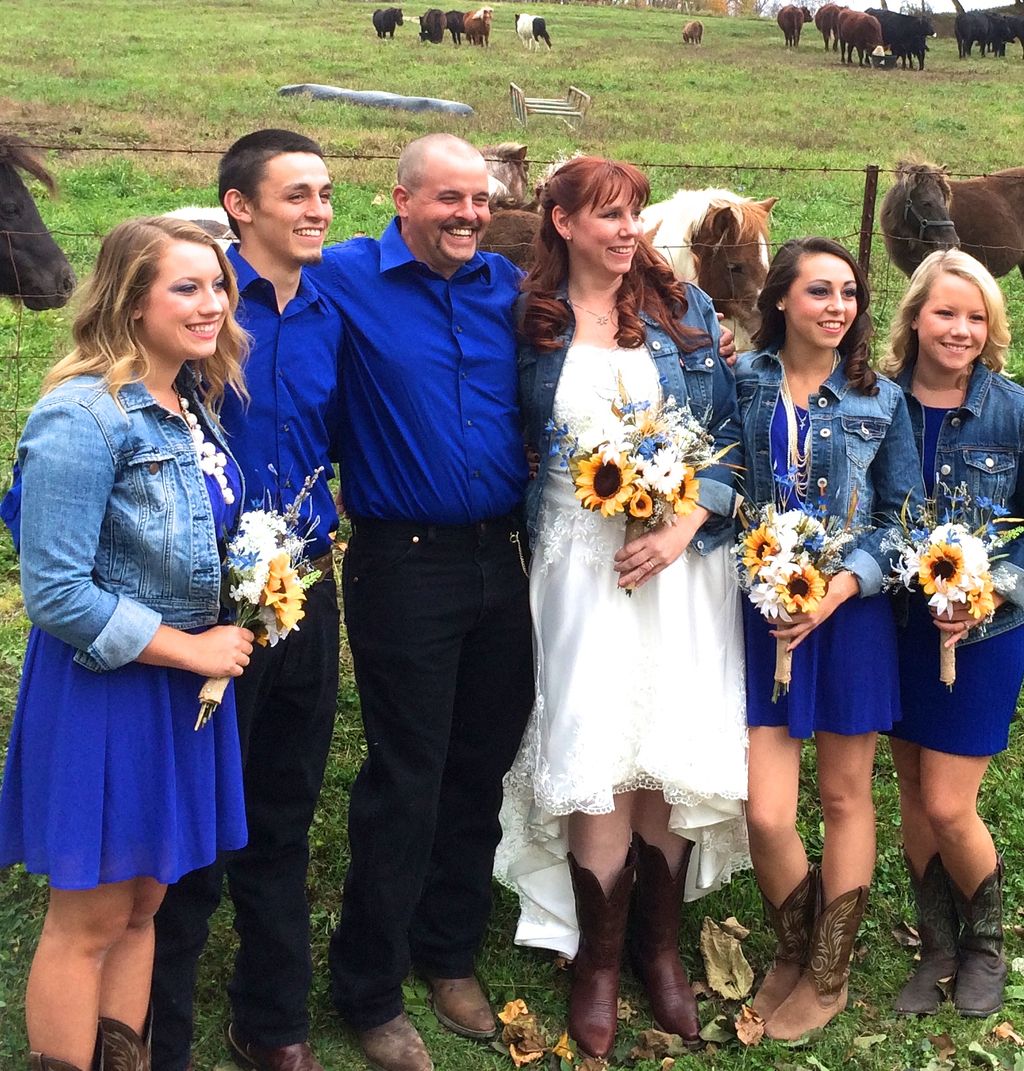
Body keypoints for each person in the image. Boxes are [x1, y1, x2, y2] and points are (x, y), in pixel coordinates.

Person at [492, 156, 750, 1061]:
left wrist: (682, 527)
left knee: (661, 742)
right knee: (595, 738)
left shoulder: (687, 317)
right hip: (574, 562)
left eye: (634, 213)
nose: (625, 229)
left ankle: (660, 949)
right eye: (606, 214)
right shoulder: (527, 323)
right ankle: (599, 961)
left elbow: (729, 449)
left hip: (676, 565)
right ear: (560, 222)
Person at [0, 216, 253, 1071]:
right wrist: (195, 651)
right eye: (186, 286)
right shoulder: (81, 415)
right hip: (108, 685)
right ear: (128, 299)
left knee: (145, 901)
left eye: (217, 284)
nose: (212, 302)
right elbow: (57, 592)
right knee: (90, 919)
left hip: (182, 684)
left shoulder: (189, 403)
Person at [308, 133, 535, 1071]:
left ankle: (446, 950)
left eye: (479, 200)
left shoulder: (508, 288)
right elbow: (242, 267)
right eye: (449, 199)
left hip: (502, 559)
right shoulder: (348, 275)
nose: (469, 216)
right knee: (407, 771)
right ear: (399, 198)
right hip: (402, 563)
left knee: (480, 761)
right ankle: (367, 981)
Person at [150, 130, 343, 1071]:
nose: (319, 210)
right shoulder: (191, 305)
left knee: (284, 807)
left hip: (303, 590)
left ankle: (272, 1020)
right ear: (240, 205)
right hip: (203, 606)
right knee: (191, 826)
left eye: (326, 194)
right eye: (298, 194)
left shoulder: (330, 309)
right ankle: (157, 1032)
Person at [735, 237, 922, 1040]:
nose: (838, 306)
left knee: (845, 794)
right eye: (819, 291)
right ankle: (792, 943)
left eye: (848, 292)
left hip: (849, 617)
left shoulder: (879, 400)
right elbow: (719, 481)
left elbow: (901, 515)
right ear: (782, 299)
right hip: (763, 609)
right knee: (766, 809)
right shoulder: (739, 382)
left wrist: (842, 585)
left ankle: (828, 971)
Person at [879, 249, 1024, 1018]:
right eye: (945, 312)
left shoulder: (1013, 409)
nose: (960, 329)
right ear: (915, 318)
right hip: (900, 624)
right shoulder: (877, 403)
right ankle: (936, 943)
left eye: (976, 316)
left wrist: (989, 589)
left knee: (946, 800)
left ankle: (987, 943)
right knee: (910, 788)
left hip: (988, 629)